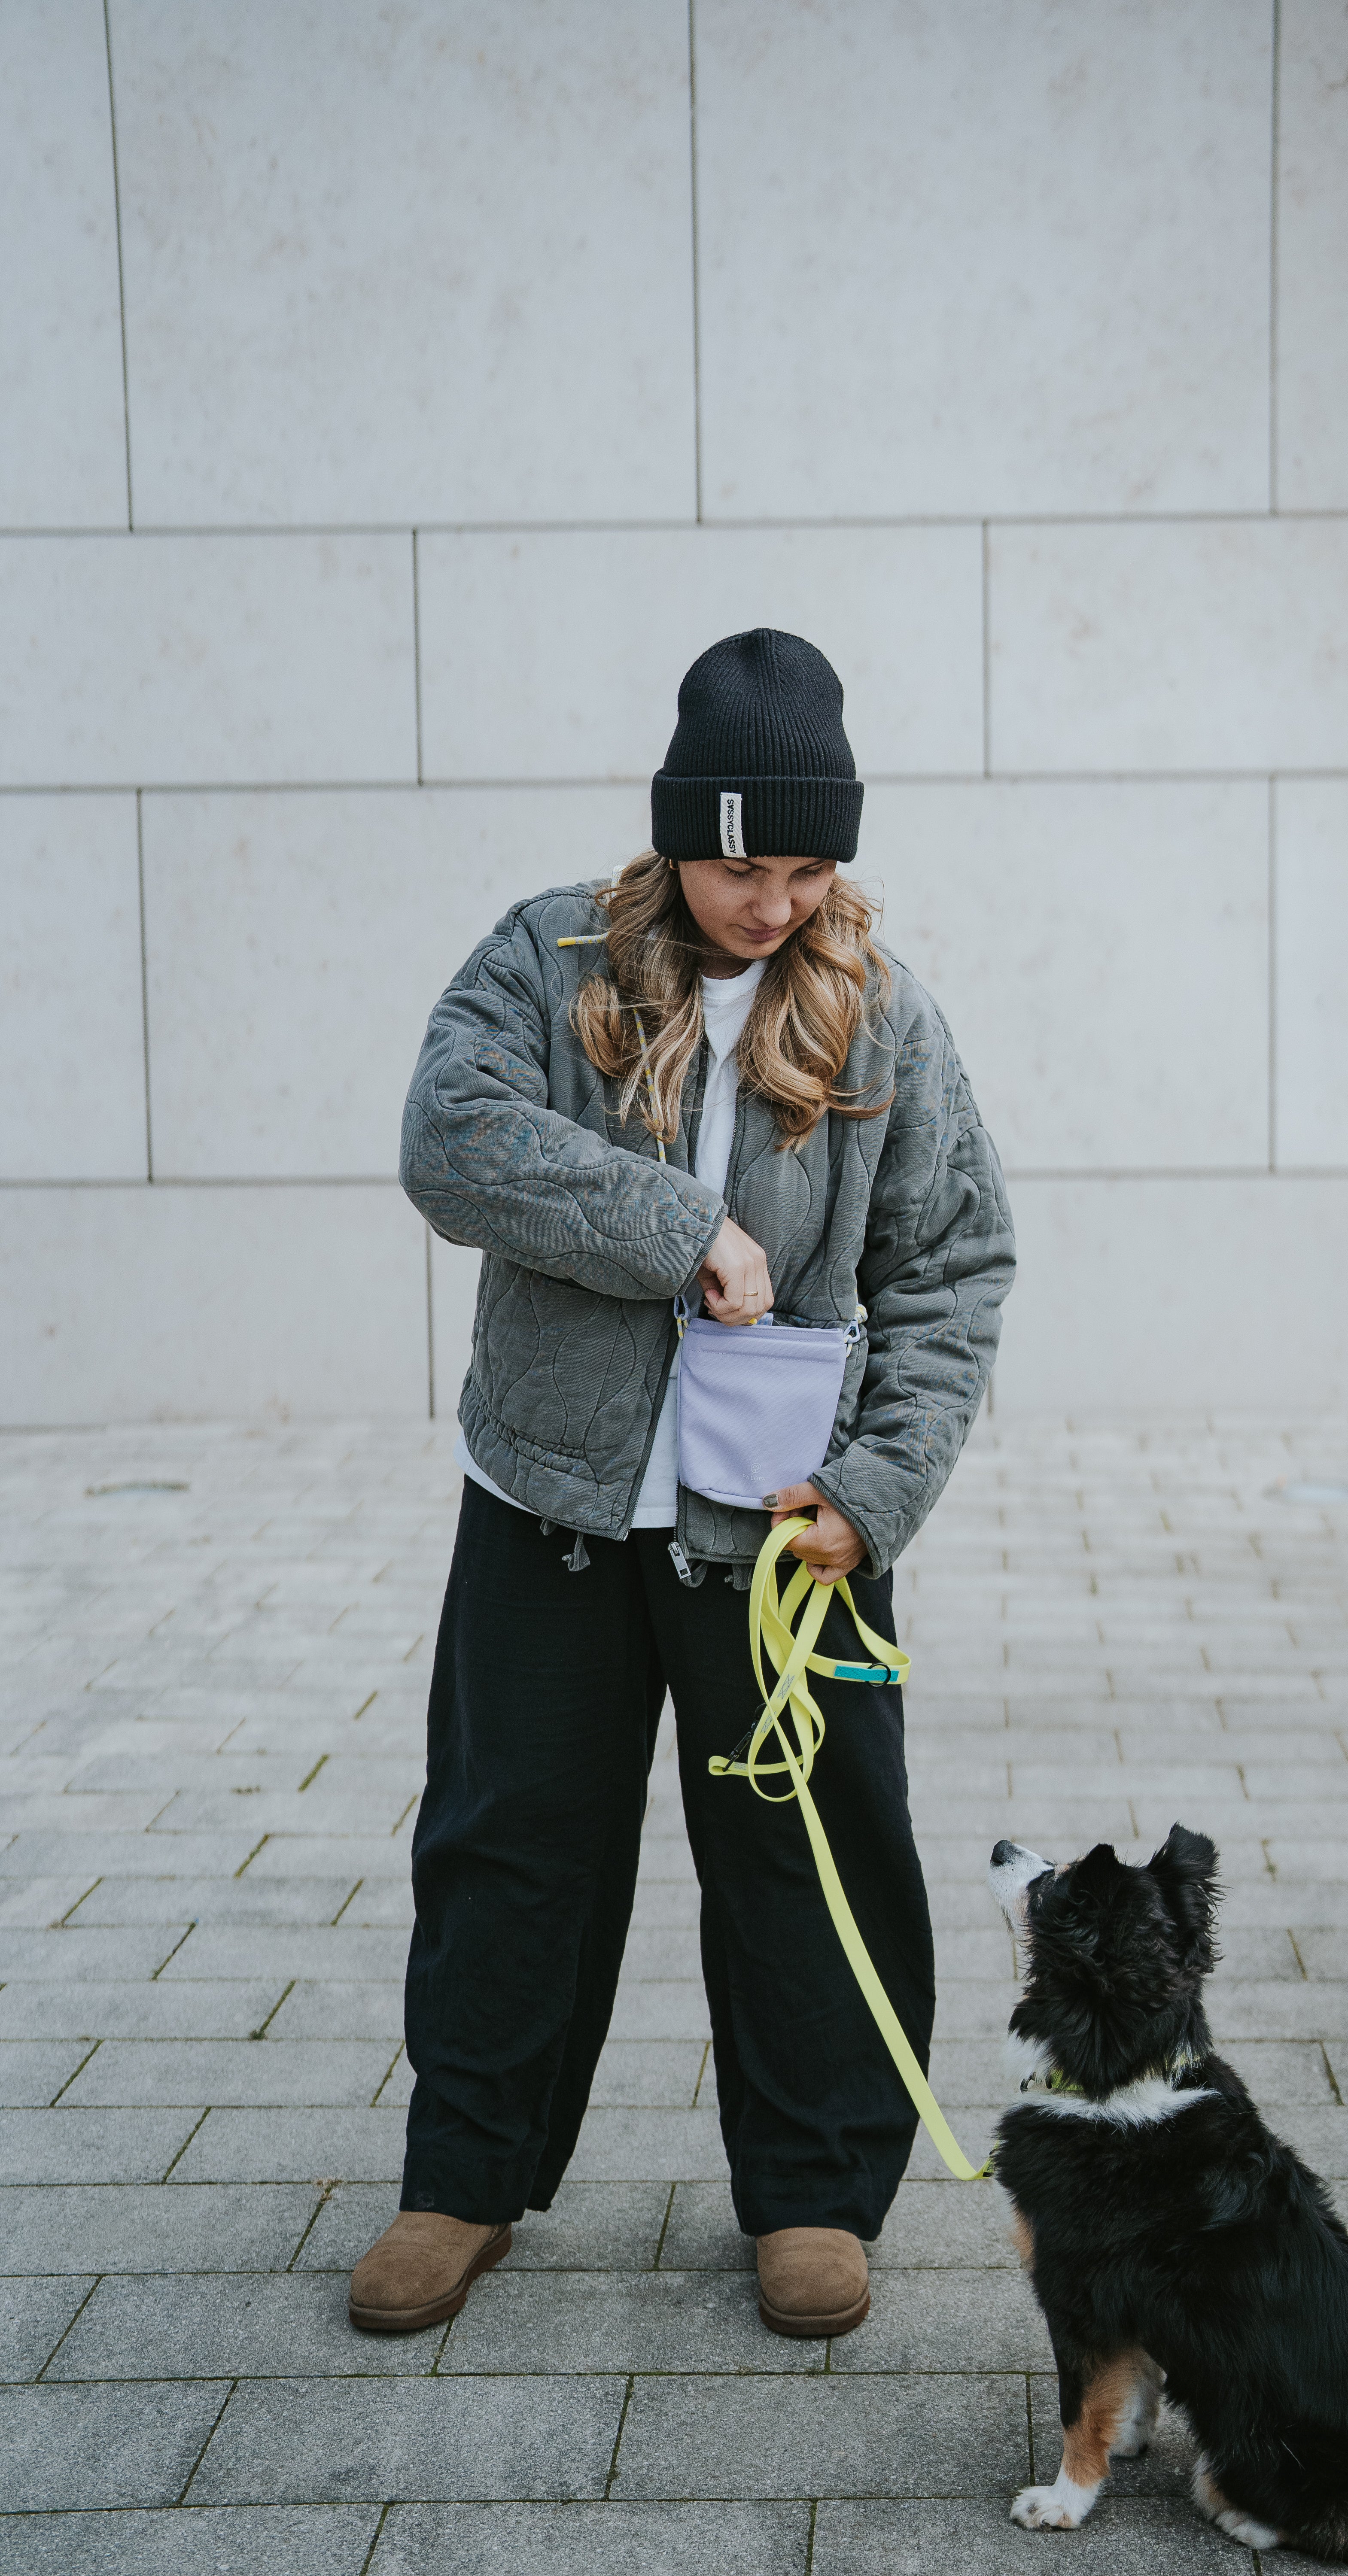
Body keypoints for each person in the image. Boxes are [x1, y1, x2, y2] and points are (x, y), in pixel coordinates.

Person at [349, 628, 1014, 2343]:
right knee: (512, 1846)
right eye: (742, 863)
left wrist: (880, 1487)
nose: (774, 900)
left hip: (786, 1524)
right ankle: (463, 2175)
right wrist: (679, 1232)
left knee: (812, 1858)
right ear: (675, 837)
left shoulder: (883, 1012)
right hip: (551, 1505)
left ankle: (814, 2196)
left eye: (808, 867)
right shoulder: (550, 956)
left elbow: (956, 1263)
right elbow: (448, 1137)